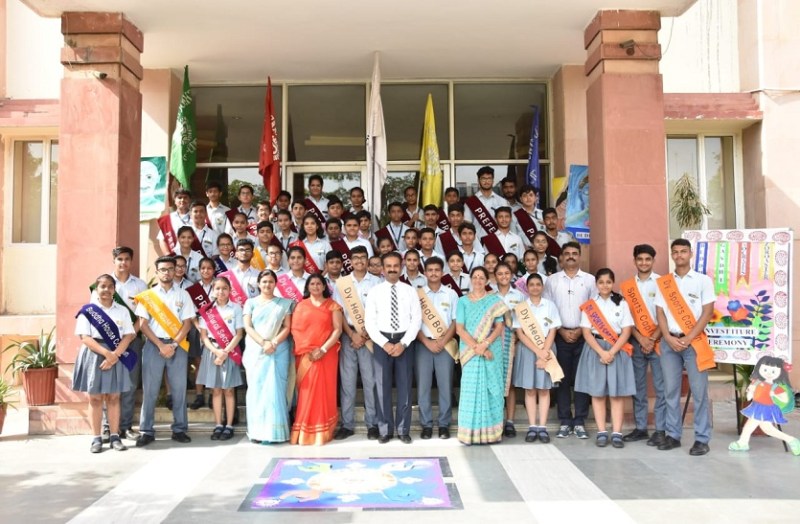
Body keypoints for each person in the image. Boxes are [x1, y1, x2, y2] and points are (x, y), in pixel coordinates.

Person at [654, 238, 715, 456]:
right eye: (675, 252)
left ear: (690, 254)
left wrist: (688, 338)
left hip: (694, 342)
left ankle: (702, 439)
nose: (679, 255)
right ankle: (673, 435)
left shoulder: (703, 281)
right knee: (670, 391)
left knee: (699, 393)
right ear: (672, 255)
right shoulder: (664, 282)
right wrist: (667, 337)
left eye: (683, 251)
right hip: (669, 343)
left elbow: (708, 312)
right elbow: (660, 312)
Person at [135, 256, 197, 447]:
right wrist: (161, 345)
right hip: (154, 346)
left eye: (170, 268)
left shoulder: (183, 295)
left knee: (179, 390)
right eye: (163, 269)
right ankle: (146, 431)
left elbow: (187, 324)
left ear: (175, 270)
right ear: (157, 272)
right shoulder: (148, 296)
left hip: (177, 346)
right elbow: (143, 324)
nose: (167, 272)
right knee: (150, 390)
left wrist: (173, 345)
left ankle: (179, 429)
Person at [73, 274, 136, 453]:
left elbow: (129, 335)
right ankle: (96, 438)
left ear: (114, 290)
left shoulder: (122, 311)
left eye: (110, 286)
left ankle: (115, 436)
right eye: (102, 286)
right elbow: (85, 337)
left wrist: (115, 355)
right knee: (95, 398)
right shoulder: (88, 311)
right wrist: (107, 354)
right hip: (94, 354)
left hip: (116, 353)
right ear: (96, 289)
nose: (106, 290)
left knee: (114, 397)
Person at [364, 252, 422, 444]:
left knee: (405, 386)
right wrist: (384, 343)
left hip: (405, 342)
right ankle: (385, 429)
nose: (392, 269)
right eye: (388, 266)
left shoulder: (410, 291)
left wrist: (403, 343)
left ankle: (403, 429)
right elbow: (369, 322)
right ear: (382, 268)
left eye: (396, 266)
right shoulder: (374, 292)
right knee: (382, 387)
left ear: (401, 267)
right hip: (382, 342)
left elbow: (416, 320)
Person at [574, 268, 635, 449]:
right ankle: (601, 431)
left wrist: (612, 352)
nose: (605, 285)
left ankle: (616, 432)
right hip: (596, 350)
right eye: (601, 282)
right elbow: (586, 332)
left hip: (618, 349)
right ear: (596, 284)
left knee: (616, 394)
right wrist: (602, 352)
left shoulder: (622, 303)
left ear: (613, 283)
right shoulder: (590, 305)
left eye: (608, 282)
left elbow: (626, 330)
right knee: (597, 392)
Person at [544, 241, 597, 439]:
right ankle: (565, 420)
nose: (571, 256)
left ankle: (580, 420)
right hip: (559, 336)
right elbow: (548, 309)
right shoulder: (552, 281)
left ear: (580, 256)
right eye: (567, 253)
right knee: (562, 379)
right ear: (561, 257)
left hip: (584, 336)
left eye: (575, 253)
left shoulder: (590, 280)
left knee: (582, 379)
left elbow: (595, 309)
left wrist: (582, 331)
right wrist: (560, 330)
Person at [332, 246, 381, 440]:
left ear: (367, 260)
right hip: (348, 336)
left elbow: (380, 311)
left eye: (363, 257)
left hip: (370, 337)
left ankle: (373, 424)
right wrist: (352, 334)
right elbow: (338, 312)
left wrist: (366, 334)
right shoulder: (342, 283)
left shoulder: (377, 282)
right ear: (350, 261)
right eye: (356, 258)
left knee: (371, 382)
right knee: (347, 382)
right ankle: (347, 424)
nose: (359, 261)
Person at [455, 267, 508, 445]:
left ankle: (491, 433)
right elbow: (459, 329)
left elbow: (499, 327)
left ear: (487, 281)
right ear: (471, 280)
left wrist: (485, 344)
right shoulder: (462, 301)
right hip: (470, 352)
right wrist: (478, 347)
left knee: (492, 389)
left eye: (481, 277)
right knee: (471, 391)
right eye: (475, 277)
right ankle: (470, 434)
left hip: (492, 348)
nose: (478, 280)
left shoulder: (494, 301)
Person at [620, 244, 666, 447]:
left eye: (648, 259)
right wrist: (640, 338)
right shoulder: (627, 287)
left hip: (659, 342)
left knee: (661, 387)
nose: (644, 262)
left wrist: (652, 339)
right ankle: (641, 428)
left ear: (653, 261)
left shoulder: (663, 283)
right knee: (638, 387)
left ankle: (661, 429)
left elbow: (666, 315)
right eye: (640, 259)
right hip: (636, 342)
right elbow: (625, 317)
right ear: (635, 261)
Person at [290, 274, 344, 445]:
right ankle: (304, 431)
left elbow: (337, 330)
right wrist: (309, 350)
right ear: (307, 287)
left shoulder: (333, 305)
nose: (315, 286)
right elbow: (295, 330)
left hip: (326, 354)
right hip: (306, 355)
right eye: (312, 284)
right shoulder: (300, 306)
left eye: (318, 283)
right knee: (307, 393)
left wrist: (322, 349)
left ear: (324, 286)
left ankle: (322, 431)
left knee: (324, 391)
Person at [243, 270, 295, 444]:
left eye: (271, 281)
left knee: (276, 389)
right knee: (257, 390)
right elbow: (248, 327)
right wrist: (263, 343)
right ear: (258, 284)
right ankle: (257, 432)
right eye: (264, 281)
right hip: (256, 351)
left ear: (275, 284)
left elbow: (287, 327)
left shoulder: (284, 303)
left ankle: (275, 432)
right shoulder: (250, 303)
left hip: (278, 350)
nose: (267, 284)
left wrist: (273, 342)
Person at [105, 247, 148, 441]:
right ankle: (107, 427)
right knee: (108, 384)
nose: (123, 262)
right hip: (108, 342)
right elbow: (96, 313)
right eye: (119, 259)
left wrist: (130, 336)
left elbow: (143, 315)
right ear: (114, 261)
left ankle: (126, 426)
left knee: (130, 384)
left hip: (132, 340)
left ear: (131, 261)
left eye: (127, 259)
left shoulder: (140, 285)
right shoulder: (103, 284)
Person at [513, 273, 561, 443]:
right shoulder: (521, 307)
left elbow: (553, 330)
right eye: (531, 284)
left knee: (544, 389)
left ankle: (543, 427)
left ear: (542, 286)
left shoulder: (550, 305)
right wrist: (537, 351)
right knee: (530, 389)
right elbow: (520, 333)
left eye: (538, 284)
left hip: (547, 349)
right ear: (527, 288)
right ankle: (532, 426)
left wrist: (544, 352)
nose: (535, 287)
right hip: (527, 350)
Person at [415, 257, 459, 440]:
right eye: (430, 270)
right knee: (423, 387)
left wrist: (442, 341)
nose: (433, 273)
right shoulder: (417, 294)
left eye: (437, 270)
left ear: (442, 272)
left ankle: (443, 424)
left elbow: (455, 322)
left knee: (445, 386)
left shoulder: (451, 294)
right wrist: (427, 342)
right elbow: (413, 322)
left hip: (445, 345)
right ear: (425, 273)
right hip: (423, 345)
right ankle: (426, 424)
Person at [197, 277, 245, 441]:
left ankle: (229, 425)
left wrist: (225, 352)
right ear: (213, 290)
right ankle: (218, 424)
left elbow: (239, 334)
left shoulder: (236, 308)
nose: (221, 291)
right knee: (216, 390)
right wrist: (217, 352)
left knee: (229, 390)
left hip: (230, 351)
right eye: (217, 288)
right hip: (212, 351)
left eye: (224, 288)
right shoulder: (207, 310)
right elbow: (204, 336)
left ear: (230, 290)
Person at [728, 356, 800, 455]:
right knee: (767, 429)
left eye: (773, 371)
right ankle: (792, 441)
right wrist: (750, 392)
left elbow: (785, 399)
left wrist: (774, 395)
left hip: (766, 409)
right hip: (757, 406)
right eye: (765, 370)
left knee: (752, 426)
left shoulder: (775, 387)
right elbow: (750, 395)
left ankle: (742, 443)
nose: (769, 373)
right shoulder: (757, 382)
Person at [495, 262, 525, 437]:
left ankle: (510, 422)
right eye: (500, 273)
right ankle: (496, 420)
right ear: (495, 276)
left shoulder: (519, 296)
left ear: (512, 275)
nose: (504, 276)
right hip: (494, 342)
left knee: (510, 384)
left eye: (507, 273)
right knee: (495, 382)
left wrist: (519, 339)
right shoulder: (490, 295)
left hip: (513, 341)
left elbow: (525, 320)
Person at [463, 166, 508, 240]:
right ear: (478, 181)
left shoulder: (502, 201)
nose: (486, 181)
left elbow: (506, 224)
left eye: (489, 178)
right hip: (477, 242)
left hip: (497, 241)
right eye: (483, 178)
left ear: (493, 180)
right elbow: (467, 225)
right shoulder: (470, 202)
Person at [157, 188, 192, 254]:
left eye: (185, 197)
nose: (182, 200)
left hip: (194, 256)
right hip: (174, 257)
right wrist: (168, 255)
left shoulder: (196, 217)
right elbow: (162, 240)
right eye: (179, 197)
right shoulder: (167, 219)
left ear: (189, 200)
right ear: (175, 201)